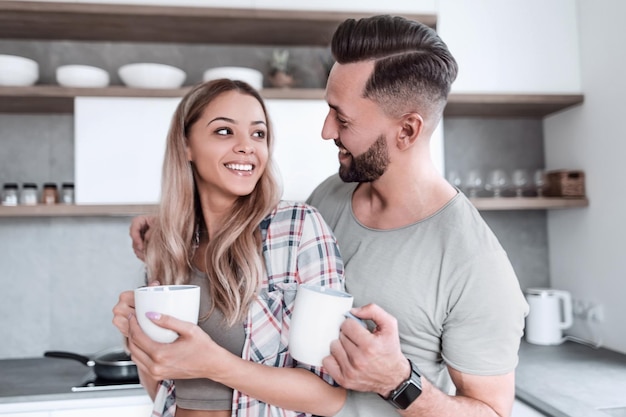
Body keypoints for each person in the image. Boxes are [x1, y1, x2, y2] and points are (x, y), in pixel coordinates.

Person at [130, 15, 529, 417]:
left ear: (407, 131)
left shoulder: (473, 262)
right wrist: (173, 227)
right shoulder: (331, 195)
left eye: (342, 117)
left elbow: (493, 413)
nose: (325, 130)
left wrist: (398, 382)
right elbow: (249, 229)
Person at [113, 79, 347, 417]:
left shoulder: (297, 228)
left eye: (258, 134)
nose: (246, 147)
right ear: (186, 145)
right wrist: (139, 340)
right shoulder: (169, 244)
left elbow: (331, 397)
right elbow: (163, 387)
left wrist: (216, 364)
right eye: (224, 132)